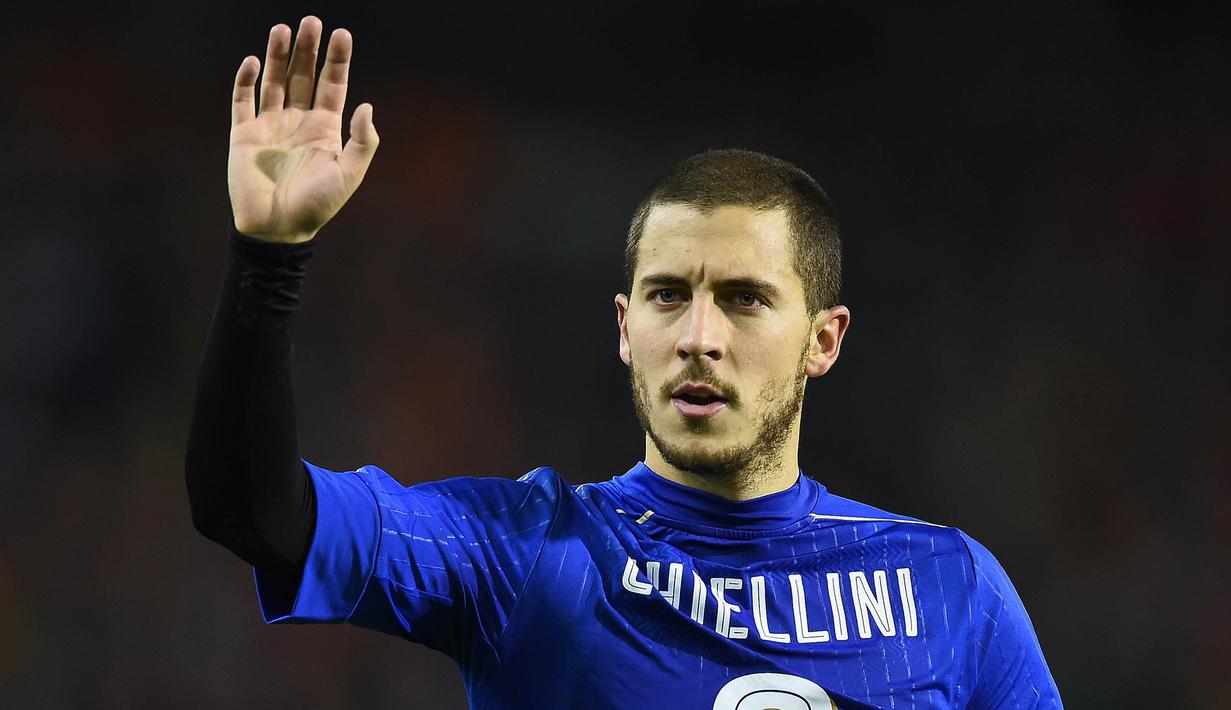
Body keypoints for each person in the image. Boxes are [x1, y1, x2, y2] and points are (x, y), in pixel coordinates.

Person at [186, 15, 1062, 709]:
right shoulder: (527, 556)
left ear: (822, 340)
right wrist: (267, 260)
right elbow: (253, 514)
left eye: (745, 299)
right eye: (667, 295)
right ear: (622, 326)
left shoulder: (950, 591)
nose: (698, 336)